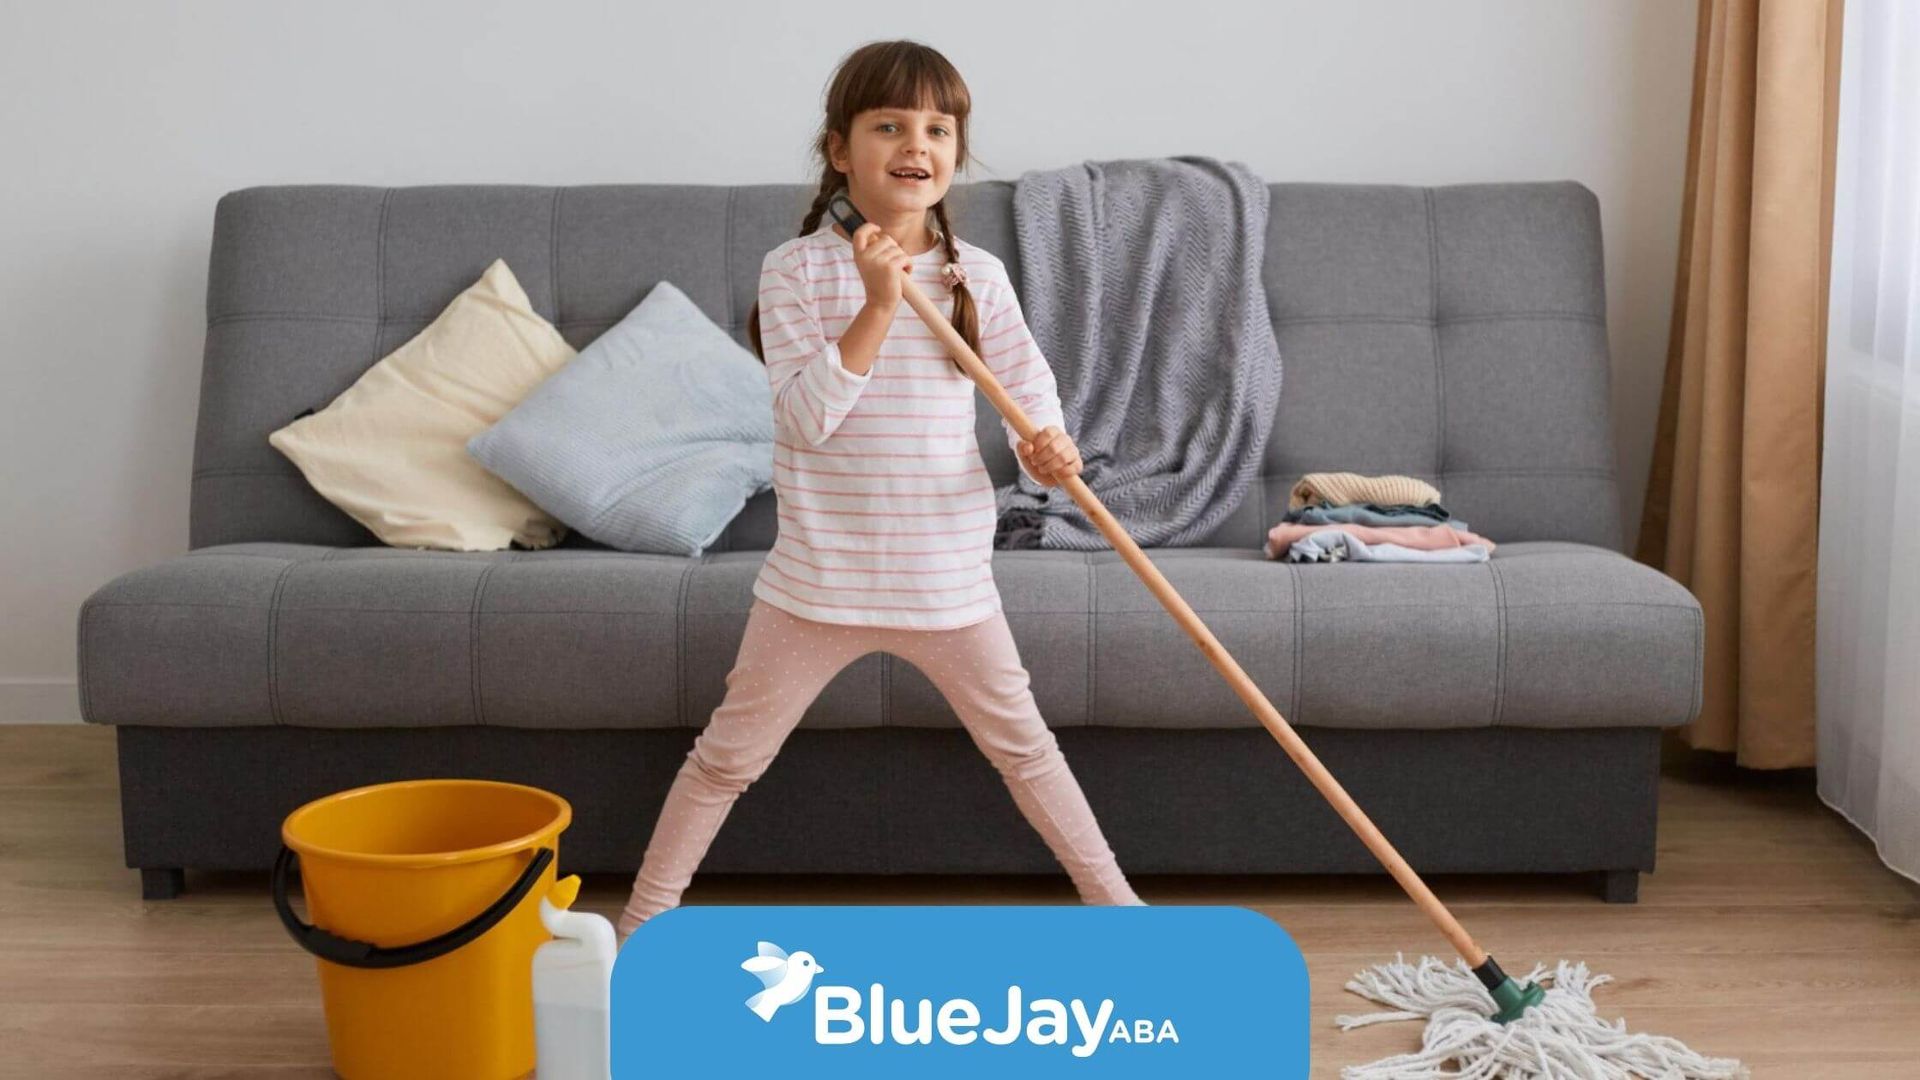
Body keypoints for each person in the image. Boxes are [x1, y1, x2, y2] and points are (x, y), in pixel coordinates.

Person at [619, 39, 1143, 942]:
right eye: (890, 124)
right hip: (819, 583)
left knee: (1027, 752)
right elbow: (806, 420)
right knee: (725, 761)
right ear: (839, 150)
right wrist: (876, 304)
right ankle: (636, 934)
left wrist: (1047, 449)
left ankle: (1127, 925)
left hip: (947, 580)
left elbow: (1026, 393)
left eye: (939, 128)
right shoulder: (796, 272)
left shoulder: (977, 274)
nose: (918, 144)